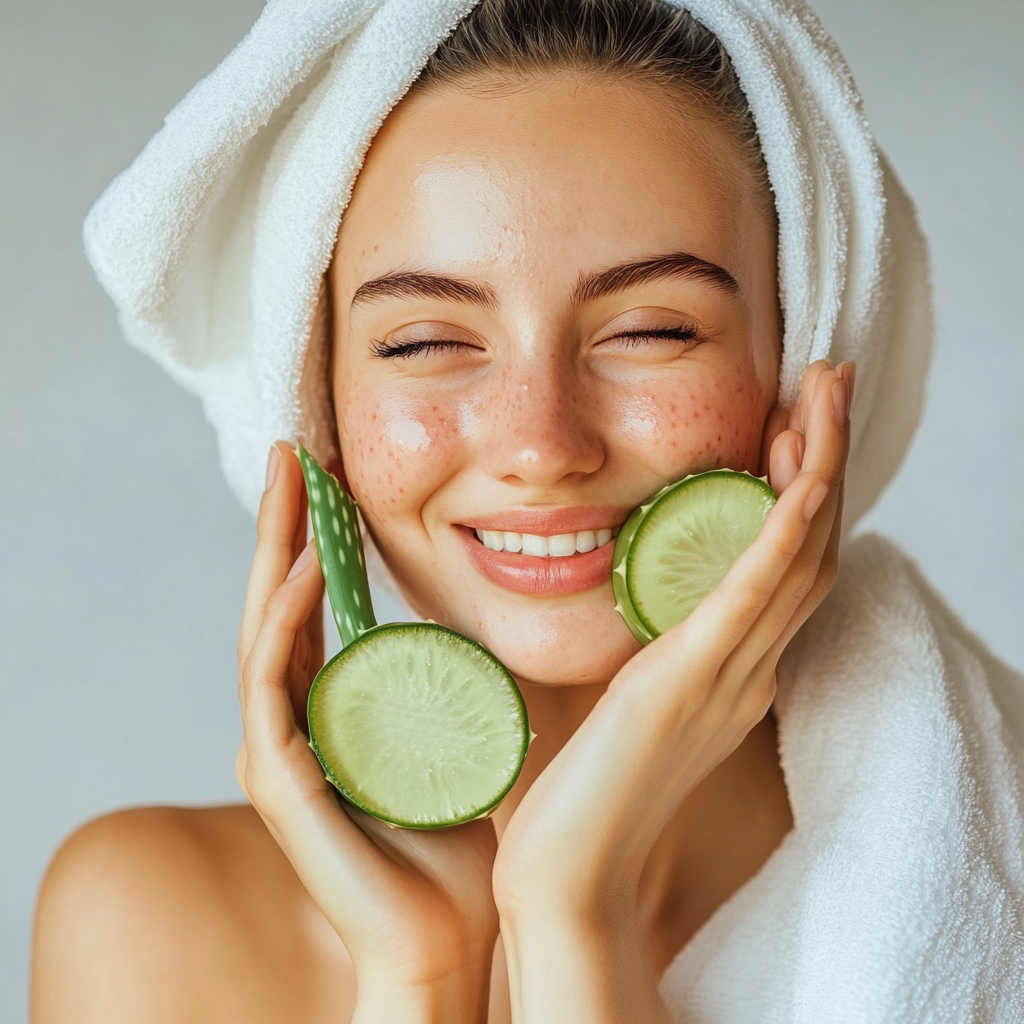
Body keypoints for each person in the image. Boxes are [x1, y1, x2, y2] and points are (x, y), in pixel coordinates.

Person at [31, 1, 1024, 1022]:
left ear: (803, 367)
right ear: (313, 410)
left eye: (649, 330)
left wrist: (568, 910)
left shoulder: (1001, 849)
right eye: (423, 342)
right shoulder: (149, 926)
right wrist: (422, 973)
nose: (542, 446)